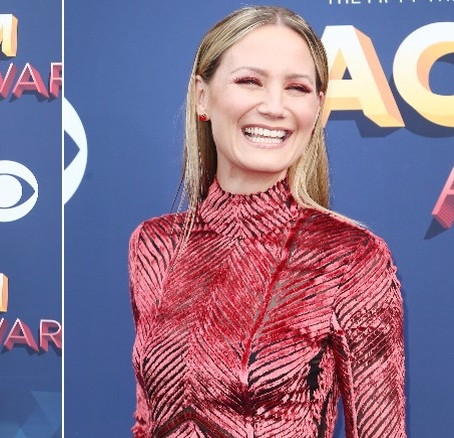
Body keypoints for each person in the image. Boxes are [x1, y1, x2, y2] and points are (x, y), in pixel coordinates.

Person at [128, 6, 405, 437]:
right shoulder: (155, 244)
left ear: (316, 108)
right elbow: (148, 419)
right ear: (202, 96)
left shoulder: (351, 258)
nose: (274, 107)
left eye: (296, 88)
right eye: (249, 81)